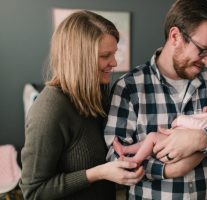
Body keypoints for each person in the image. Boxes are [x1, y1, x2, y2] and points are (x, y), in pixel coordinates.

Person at [105, 0, 207, 199]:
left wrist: (201, 139)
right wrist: (169, 170)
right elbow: (114, 157)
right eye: (203, 50)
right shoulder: (129, 87)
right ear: (175, 36)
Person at [19, 10, 144, 200]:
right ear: (79, 58)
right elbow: (34, 191)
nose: (114, 62)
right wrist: (99, 173)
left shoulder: (97, 93)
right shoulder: (50, 110)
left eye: (114, 53)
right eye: (105, 55)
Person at [112, 100, 207, 164]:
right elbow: (204, 122)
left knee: (151, 137)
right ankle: (126, 149)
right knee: (150, 142)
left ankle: (135, 159)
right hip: (176, 139)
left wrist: (180, 120)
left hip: (176, 138)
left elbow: (197, 124)